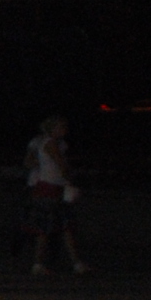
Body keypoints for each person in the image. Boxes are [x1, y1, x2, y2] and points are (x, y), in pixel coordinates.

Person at [27, 114, 92, 276]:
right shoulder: (50, 143)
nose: (65, 130)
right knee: (52, 227)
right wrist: (71, 181)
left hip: (51, 188)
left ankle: (73, 263)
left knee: (61, 226)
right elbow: (62, 165)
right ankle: (41, 263)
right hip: (50, 189)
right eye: (61, 127)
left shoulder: (52, 143)